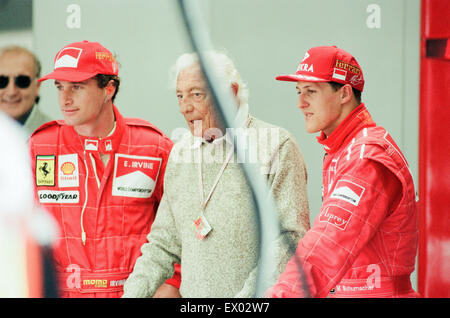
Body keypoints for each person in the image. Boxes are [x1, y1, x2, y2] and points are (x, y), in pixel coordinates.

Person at [122, 51, 310, 298]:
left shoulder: (275, 146)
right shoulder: (180, 154)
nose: (185, 108)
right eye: (180, 96)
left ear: (230, 94)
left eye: (197, 94)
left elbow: (288, 241)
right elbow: (162, 245)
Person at [29, 40, 180, 297]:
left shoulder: (153, 146)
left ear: (109, 88)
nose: (64, 99)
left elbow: (182, 227)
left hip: (136, 291)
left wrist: (173, 282)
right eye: (59, 87)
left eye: (76, 87)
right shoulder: (39, 146)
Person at [265, 45, 419, 298]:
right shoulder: (344, 148)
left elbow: (328, 245)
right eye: (299, 92)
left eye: (311, 91)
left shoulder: (366, 156)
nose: (300, 104)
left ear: (345, 93)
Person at [0, 46, 52, 136]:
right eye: (2, 81)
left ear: (37, 86)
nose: (11, 92)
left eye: (22, 81)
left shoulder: (58, 138)